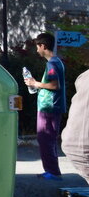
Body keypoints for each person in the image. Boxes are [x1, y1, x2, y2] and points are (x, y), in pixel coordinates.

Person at [24, 33, 68, 179]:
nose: (37, 50)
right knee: (48, 139)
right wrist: (37, 84)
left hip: (49, 107)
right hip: (51, 106)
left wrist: (35, 84)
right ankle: (52, 170)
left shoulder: (52, 64)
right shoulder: (57, 62)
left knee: (46, 139)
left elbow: (55, 85)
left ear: (43, 46)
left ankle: (53, 172)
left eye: (37, 47)